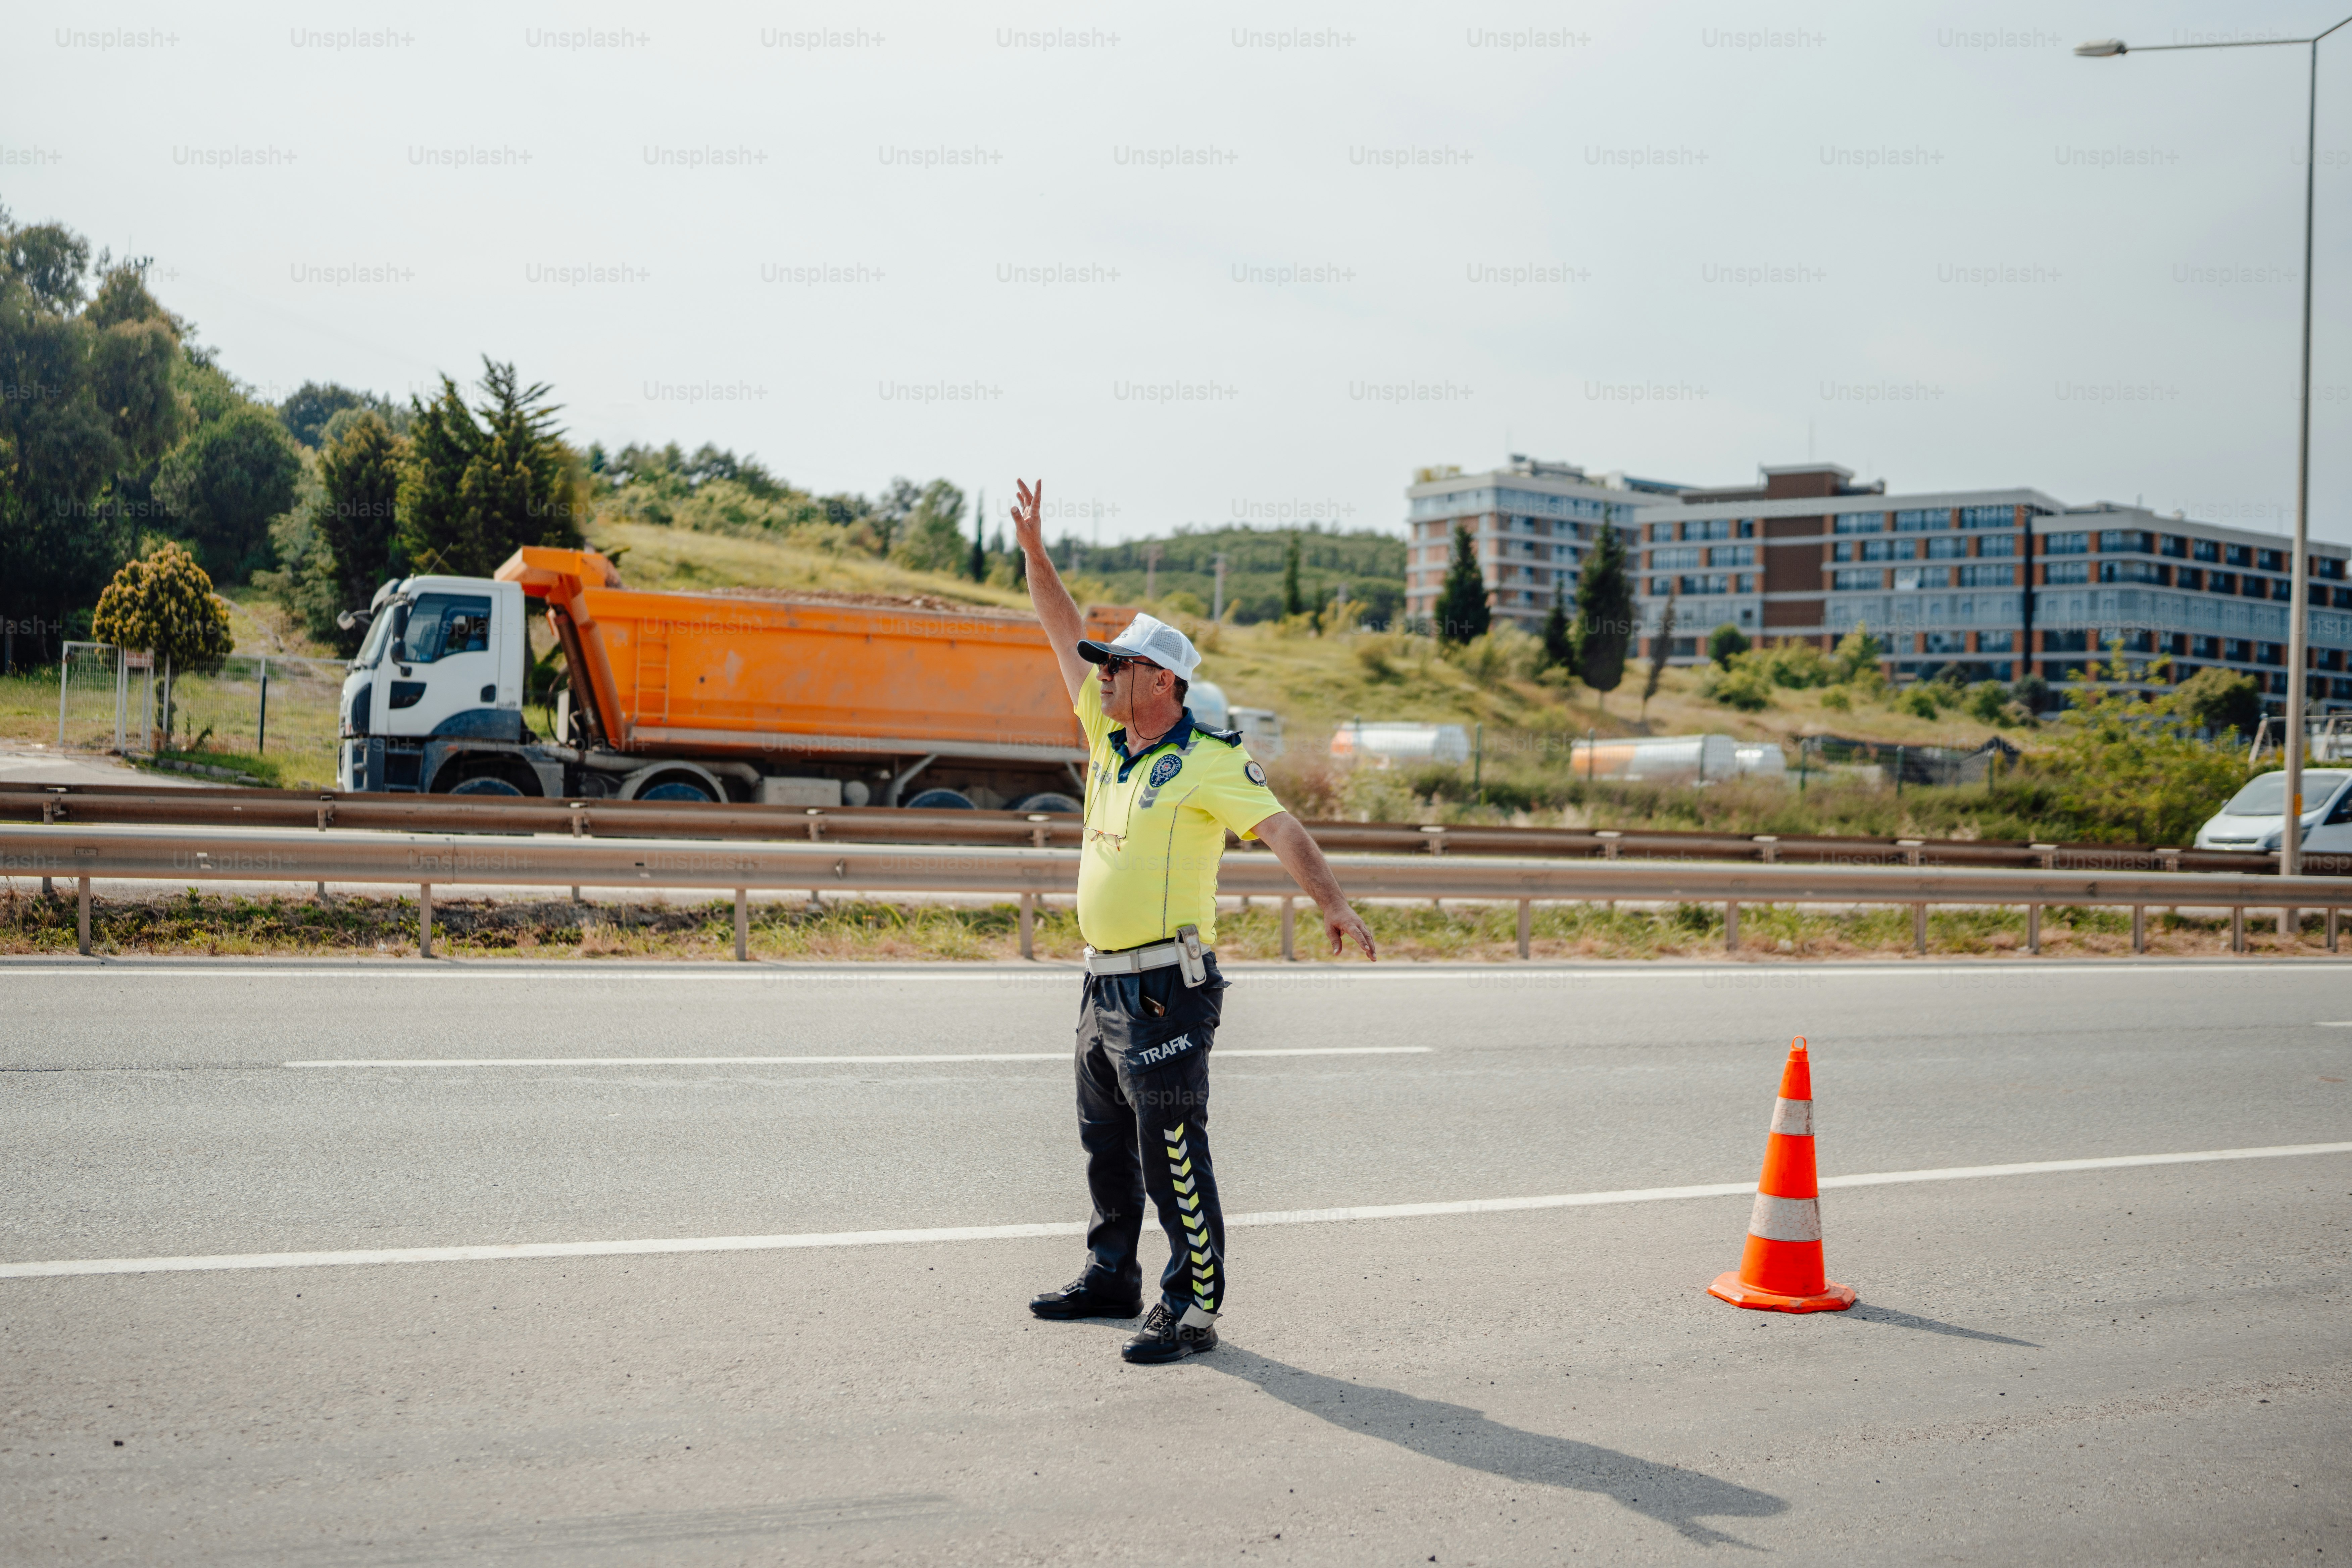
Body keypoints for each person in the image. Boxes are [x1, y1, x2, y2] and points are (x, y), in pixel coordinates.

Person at [1010, 477, 1377, 1365]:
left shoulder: (1208, 759)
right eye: (1100, 666)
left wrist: (1331, 902)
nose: (1098, 675)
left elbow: (1281, 825)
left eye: (1116, 666)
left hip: (1167, 993)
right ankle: (1113, 1274)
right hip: (1101, 981)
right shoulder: (1109, 739)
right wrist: (1035, 554)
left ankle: (1194, 1306)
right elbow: (1061, 630)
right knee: (1108, 1145)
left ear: (1162, 679)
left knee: (1172, 1150)